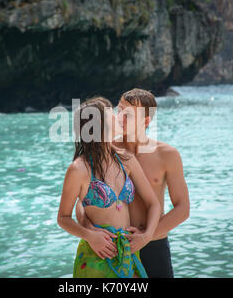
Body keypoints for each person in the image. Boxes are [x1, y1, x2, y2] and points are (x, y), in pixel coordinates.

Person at [76, 88, 190, 278]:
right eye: (119, 110)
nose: (120, 117)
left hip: (154, 246)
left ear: (145, 121)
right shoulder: (106, 150)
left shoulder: (167, 155)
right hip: (113, 247)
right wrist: (89, 231)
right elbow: (81, 201)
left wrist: (146, 237)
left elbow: (183, 209)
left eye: (128, 114)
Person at [57, 97, 161, 278]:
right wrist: (90, 235)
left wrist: (145, 237)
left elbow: (154, 204)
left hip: (128, 253)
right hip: (96, 254)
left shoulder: (126, 159)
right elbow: (63, 218)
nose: (119, 117)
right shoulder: (79, 169)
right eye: (113, 114)